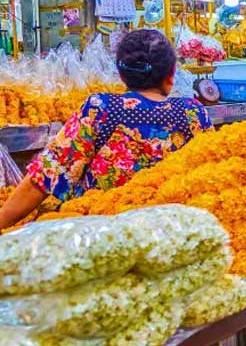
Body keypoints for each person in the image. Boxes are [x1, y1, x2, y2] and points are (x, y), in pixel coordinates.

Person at [0, 29, 213, 229]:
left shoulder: (100, 108)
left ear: (122, 75)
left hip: (105, 240)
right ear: (171, 74)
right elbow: (211, 179)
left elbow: (45, 176)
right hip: (176, 235)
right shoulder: (193, 113)